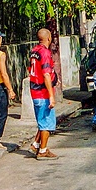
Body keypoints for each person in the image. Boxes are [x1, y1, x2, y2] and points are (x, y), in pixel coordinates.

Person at [27, 28, 59, 159]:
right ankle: (42, 150)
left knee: (42, 120)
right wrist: (51, 96)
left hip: (35, 90)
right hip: (42, 92)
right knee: (47, 122)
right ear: (49, 38)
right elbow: (46, 74)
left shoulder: (34, 51)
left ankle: (35, 144)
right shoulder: (45, 53)